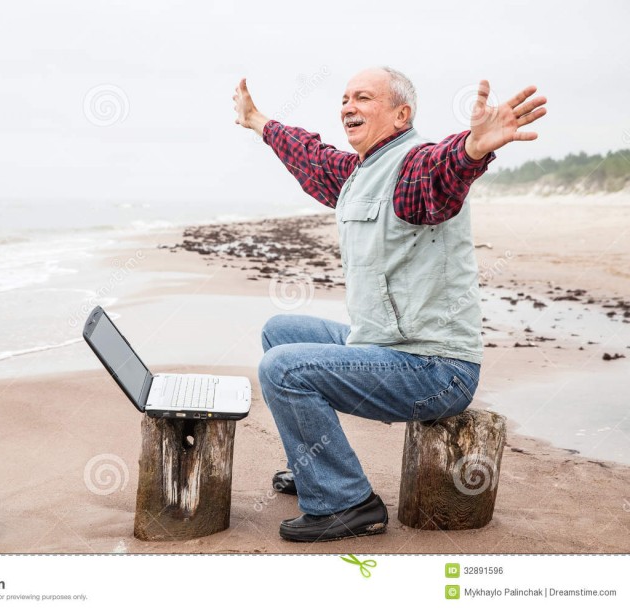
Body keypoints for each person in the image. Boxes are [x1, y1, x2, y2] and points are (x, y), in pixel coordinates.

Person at [232, 67, 546, 542]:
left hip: (434, 369)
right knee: (281, 331)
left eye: (363, 98)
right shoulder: (360, 173)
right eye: (344, 99)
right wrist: (259, 122)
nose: (347, 107)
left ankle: (347, 503)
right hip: (386, 348)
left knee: (283, 368)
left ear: (402, 114)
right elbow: (311, 158)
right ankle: (315, 466)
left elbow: (442, 171)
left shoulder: (413, 167)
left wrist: (473, 148)